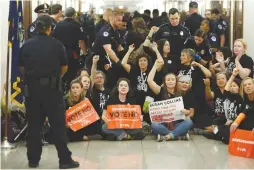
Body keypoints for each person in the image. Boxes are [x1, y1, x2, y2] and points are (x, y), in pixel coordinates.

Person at [18, 15, 79, 169]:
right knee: (58, 126)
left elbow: (22, 68)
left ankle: (33, 160)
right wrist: (54, 78)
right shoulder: (57, 45)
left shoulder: (26, 45)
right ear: (49, 28)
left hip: (32, 91)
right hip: (52, 91)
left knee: (34, 126)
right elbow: (64, 67)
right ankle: (65, 160)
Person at [150, 73, 194, 142]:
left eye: (173, 80)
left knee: (189, 122)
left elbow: (189, 112)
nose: (170, 81)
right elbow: (149, 81)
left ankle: (167, 136)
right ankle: (177, 135)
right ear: (165, 82)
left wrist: (186, 112)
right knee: (154, 125)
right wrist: (155, 65)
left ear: (176, 82)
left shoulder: (181, 93)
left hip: (177, 123)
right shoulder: (161, 92)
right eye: (168, 80)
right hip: (163, 124)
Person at [54, 7, 87, 92]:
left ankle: (61, 90)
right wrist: (85, 53)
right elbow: (81, 41)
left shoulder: (58, 25)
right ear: (74, 15)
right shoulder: (76, 25)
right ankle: (70, 91)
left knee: (61, 74)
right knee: (72, 75)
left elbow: (53, 39)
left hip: (59, 54)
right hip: (72, 54)